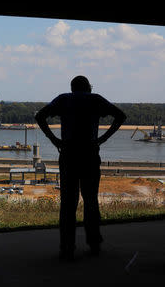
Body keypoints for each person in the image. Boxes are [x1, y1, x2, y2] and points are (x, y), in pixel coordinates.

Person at [35, 75, 126, 261]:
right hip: (90, 154)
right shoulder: (96, 100)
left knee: (68, 203)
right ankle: (94, 244)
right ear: (88, 87)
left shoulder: (63, 99)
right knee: (91, 200)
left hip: (68, 154)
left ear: (72, 87)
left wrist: (54, 140)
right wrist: (102, 139)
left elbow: (39, 116)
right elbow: (121, 116)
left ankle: (67, 248)